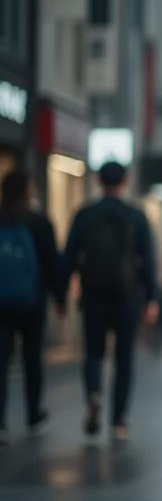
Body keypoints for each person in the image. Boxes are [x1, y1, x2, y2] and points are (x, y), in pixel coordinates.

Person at [62, 161, 159, 441]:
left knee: (93, 351)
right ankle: (119, 422)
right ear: (125, 181)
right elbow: (148, 262)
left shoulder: (84, 215)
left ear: (98, 181)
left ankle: (94, 393)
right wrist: (151, 298)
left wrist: (59, 295)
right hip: (127, 298)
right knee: (124, 358)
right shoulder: (136, 217)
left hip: (92, 295)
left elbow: (68, 257)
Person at [0, 169, 64, 443]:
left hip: (1, 305)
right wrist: (60, 298)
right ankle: (34, 415)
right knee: (32, 359)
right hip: (32, 303)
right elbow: (52, 264)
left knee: (0, 362)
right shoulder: (39, 223)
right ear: (28, 191)